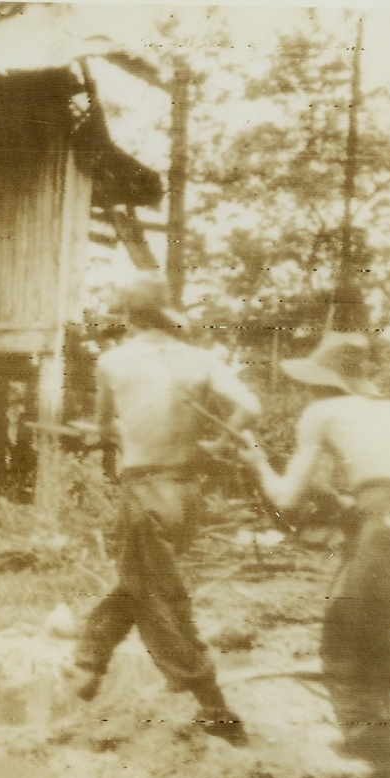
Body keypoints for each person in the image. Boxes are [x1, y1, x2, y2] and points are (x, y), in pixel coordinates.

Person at [238, 330, 390, 778]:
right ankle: (374, 735)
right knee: (372, 631)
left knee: (343, 647)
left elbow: (284, 498)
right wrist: (357, 501)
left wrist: (258, 463)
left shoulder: (322, 412)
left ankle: (386, 777)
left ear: (327, 381)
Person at [67, 273, 260, 746]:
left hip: (144, 491)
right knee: (143, 583)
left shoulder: (113, 362)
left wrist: (106, 433)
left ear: (128, 316)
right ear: (165, 315)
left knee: (155, 597)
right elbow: (251, 406)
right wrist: (215, 439)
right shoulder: (200, 359)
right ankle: (88, 664)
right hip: (188, 495)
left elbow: (103, 428)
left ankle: (215, 708)